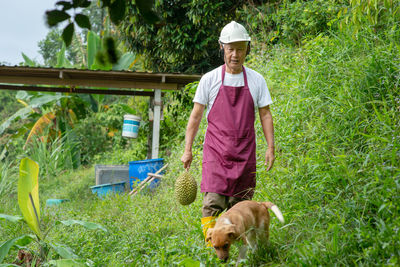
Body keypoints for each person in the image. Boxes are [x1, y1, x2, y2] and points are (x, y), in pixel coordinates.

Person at [180, 21, 275, 244]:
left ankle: (236, 252)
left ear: (247, 49)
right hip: (216, 154)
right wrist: (187, 150)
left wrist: (270, 148)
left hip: (244, 154)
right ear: (222, 47)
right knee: (212, 204)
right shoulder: (210, 79)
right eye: (231, 48)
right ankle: (211, 247)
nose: (235, 54)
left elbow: (265, 115)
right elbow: (195, 117)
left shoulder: (256, 80)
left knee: (239, 206)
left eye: (240, 48)